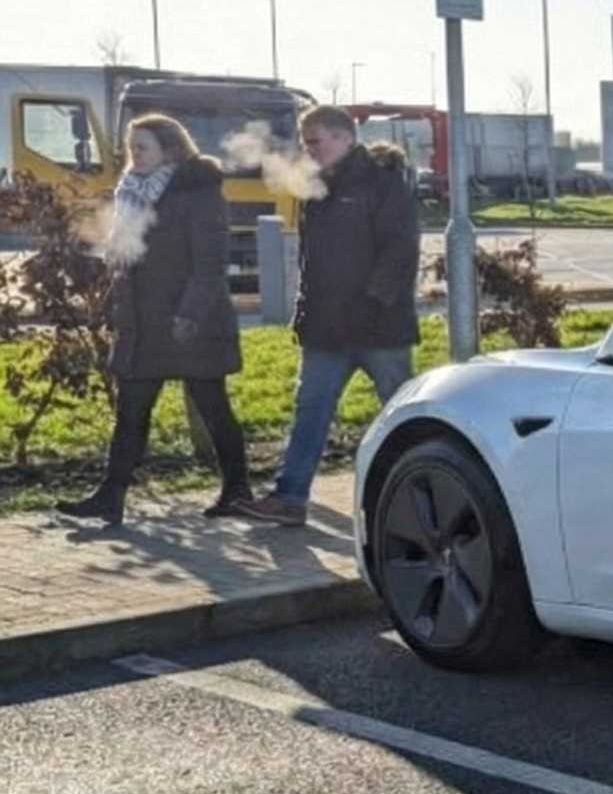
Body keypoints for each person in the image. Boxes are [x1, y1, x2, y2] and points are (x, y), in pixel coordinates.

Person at [56, 116, 250, 529]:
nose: (134, 155)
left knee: (213, 406)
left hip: (190, 324)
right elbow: (128, 255)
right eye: (131, 148)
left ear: (171, 149)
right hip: (145, 323)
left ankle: (237, 489)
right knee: (131, 410)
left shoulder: (197, 191)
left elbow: (209, 265)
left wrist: (189, 315)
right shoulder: (130, 192)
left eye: (142, 147)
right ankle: (111, 496)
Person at [237, 107, 420, 528]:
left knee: (403, 413)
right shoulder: (315, 188)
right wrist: (305, 314)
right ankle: (290, 496)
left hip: (380, 328)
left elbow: (399, 250)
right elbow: (311, 259)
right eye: (305, 142)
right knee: (311, 410)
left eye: (315, 141)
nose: (308, 150)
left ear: (343, 138)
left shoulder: (382, 182)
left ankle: (419, 492)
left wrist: (372, 302)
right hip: (327, 327)